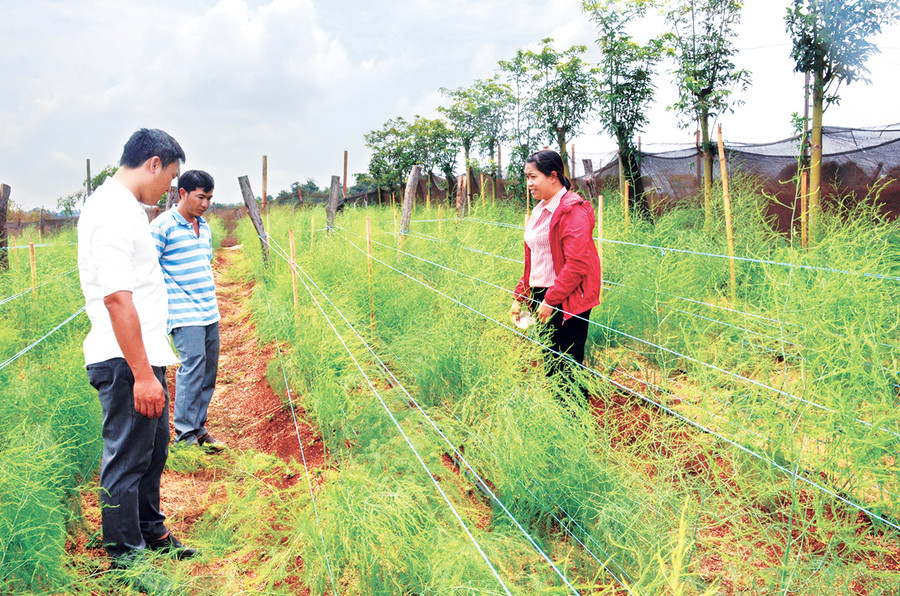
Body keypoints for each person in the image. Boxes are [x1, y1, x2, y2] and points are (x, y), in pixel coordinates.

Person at [77, 129, 196, 584]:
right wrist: (143, 375)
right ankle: (126, 559)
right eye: (171, 176)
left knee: (153, 450)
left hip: (143, 358)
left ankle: (151, 532)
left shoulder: (127, 210)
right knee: (127, 459)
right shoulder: (109, 212)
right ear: (153, 163)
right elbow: (116, 299)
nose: (170, 187)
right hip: (126, 361)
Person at [510, 149, 602, 385]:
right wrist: (520, 295)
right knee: (551, 363)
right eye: (526, 177)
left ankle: (576, 419)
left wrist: (551, 301)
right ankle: (561, 416)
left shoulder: (572, 210)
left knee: (567, 367)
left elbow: (577, 265)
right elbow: (535, 259)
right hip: (543, 296)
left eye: (533, 177)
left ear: (553, 176)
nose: (528, 183)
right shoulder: (541, 209)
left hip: (565, 297)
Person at [150, 170, 223, 451]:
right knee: (192, 369)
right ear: (182, 193)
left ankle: (199, 427)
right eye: (200, 196)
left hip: (209, 311)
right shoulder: (162, 226)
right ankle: (185, 436)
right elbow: (148, 269)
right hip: (182, 312)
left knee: (208, 372)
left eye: (209, 198)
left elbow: (204, 264)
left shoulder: (203, 227)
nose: (205, 203)